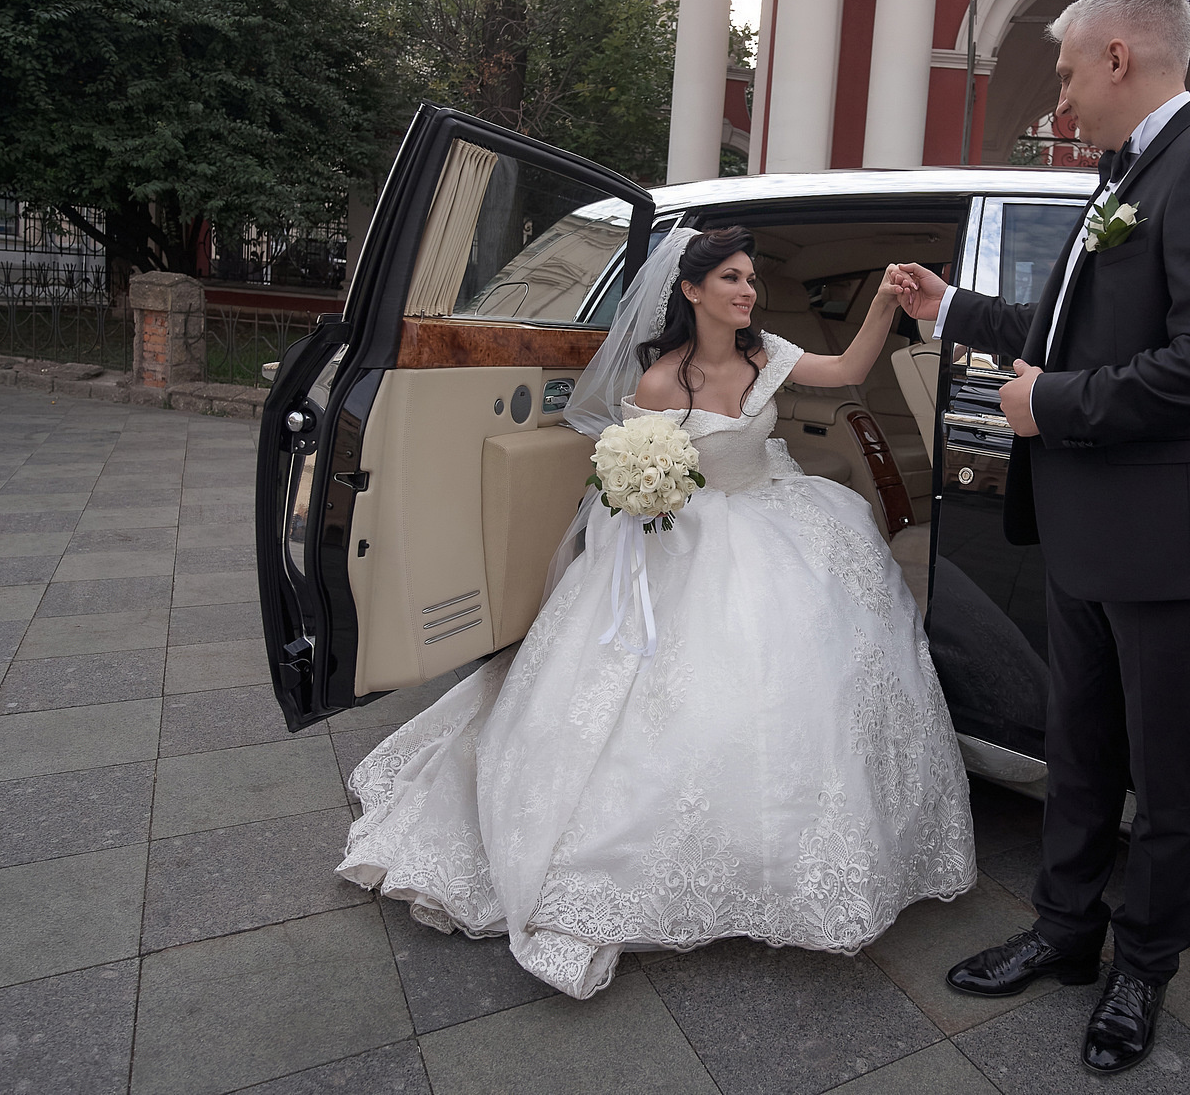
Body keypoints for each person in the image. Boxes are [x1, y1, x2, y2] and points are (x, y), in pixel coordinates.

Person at [336, 226, 974, 1001]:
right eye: (731, 279)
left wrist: (881, 304)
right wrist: (648, 495)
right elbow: (638, 476)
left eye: (750, 280)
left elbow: (843, 371)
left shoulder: (766, 351)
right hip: (690, 533)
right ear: (692, 291)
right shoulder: (663, 383)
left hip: (778, 516)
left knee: (818, 673)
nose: (746, 291)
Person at [888, 0, 1190, 1074]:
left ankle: (1140, 967)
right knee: (1079, 755)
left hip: (1173, 542)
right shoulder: (1119, 177)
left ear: (1118, 54)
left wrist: (1047, 406)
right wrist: (951, 309)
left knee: (1166, 781)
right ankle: (1064, 934)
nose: (1057, 100)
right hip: (1086, 532)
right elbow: (1068, 328)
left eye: (1064, 71)